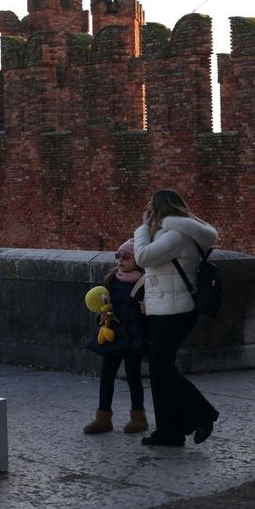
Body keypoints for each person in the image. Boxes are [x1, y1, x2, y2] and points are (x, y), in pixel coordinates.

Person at [133, 189, 220, 447]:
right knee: (161, 370)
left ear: (160, 209)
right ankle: (170, 431)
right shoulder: (179, 233)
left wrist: (141, 229)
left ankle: (203, 413)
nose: (148, 212)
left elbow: (142, 257)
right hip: (167, 307)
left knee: (162, 369)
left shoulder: (176, 235)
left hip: (175, 309)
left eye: (150, 208)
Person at [83, 240, 149, 434]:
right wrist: (102, 317)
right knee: (107, 375)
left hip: (133, 337)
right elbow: (104, 304)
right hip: (114, 335)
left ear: (138, 260)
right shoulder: (113, 279)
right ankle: (103, 416)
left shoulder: (144, 282)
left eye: (126, 257)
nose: (120, 260)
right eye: (118, 256)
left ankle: (138, 417)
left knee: (133, 376)